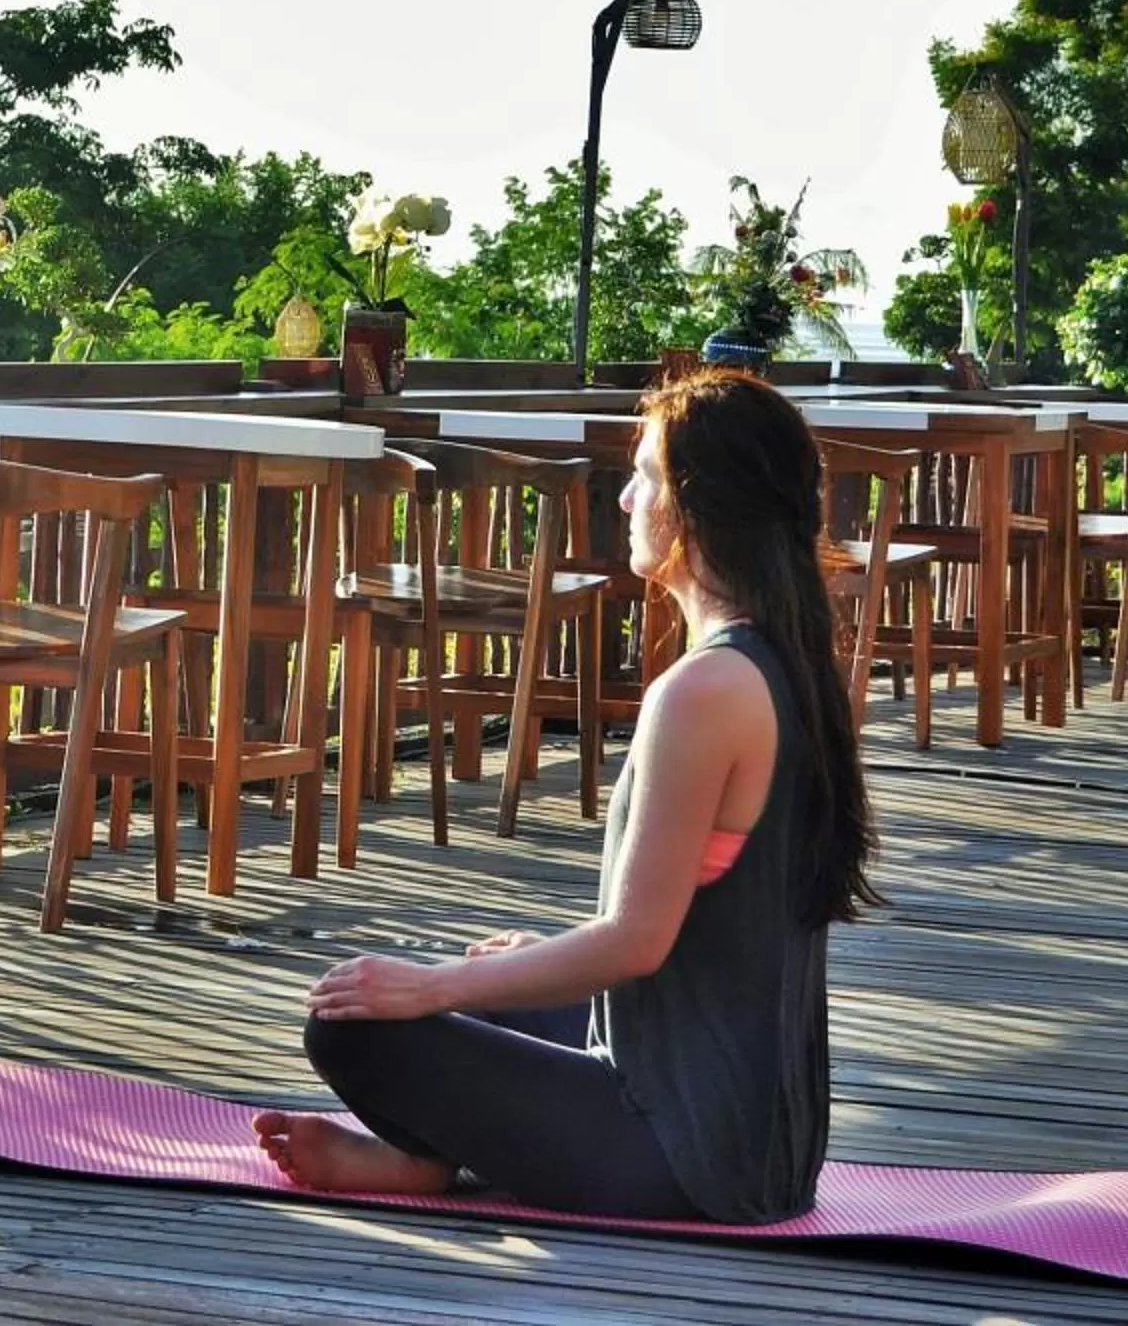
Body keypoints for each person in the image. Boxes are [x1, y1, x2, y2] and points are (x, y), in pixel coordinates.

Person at [252, 368, 881, 1222]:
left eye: (645, 477)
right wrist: (524, 966)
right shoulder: (788, 667)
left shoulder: (705, 693)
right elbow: (685, 940)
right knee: (496, 983)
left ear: (694, 508)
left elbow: (633, 944)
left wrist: (429, 987)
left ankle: (421, 1159)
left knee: (354, 1020)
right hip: (762, 1139)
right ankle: (425, 1149)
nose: (625, 499)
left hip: (687, 1152)